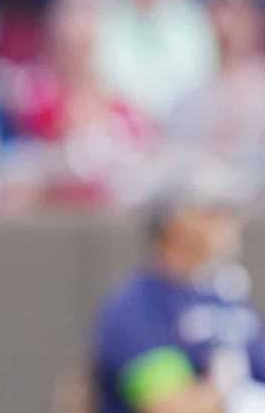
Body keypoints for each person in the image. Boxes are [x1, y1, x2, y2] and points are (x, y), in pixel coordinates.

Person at [92, 169, 265, 413]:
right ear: (174, 224)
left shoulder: (228, 300)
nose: (227, 222)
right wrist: (229, 394)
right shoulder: (138, 307)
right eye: (212, 212)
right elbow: (168, 405)